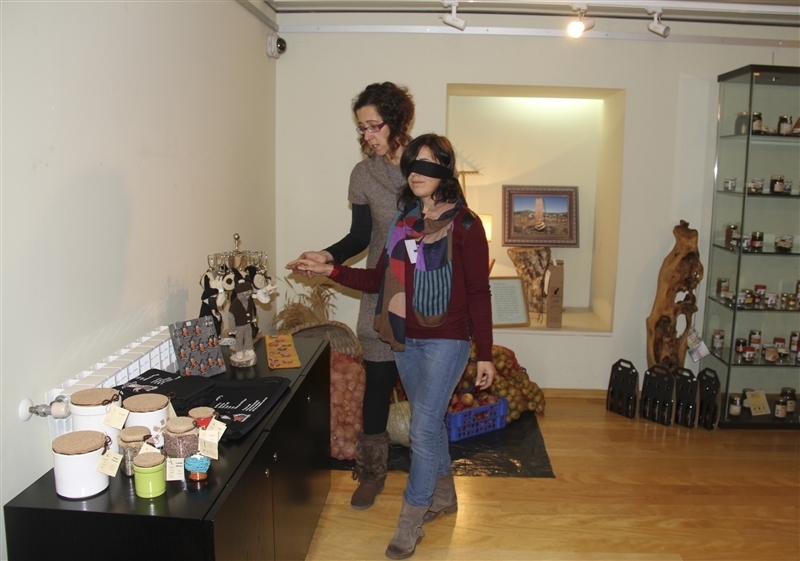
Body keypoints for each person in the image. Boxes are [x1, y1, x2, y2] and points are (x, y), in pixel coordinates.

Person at [291, 134, 496, 560]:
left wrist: (486, 354)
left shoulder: (467, 225)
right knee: (430, 424)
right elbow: (377, 280)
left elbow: (479, 291)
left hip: (448, 340)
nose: (416, 173)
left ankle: (410, 520)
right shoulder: (405, 222)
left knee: (422, 429)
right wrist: (330, 270)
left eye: (427, 164)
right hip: (405, 339)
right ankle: (444, 496)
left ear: (445, 170)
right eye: (412, 165)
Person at [286, 82, 415, 510]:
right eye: (362, 128)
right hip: (379, 289)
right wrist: (326, 256)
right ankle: (372, 471)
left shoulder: (427, 163)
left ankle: (431, 473)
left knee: (425, 389)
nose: (367, 135)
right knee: (377, 383)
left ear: (398, 121)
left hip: (424, 294)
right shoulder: (363, 174)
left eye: (374, 125)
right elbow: (360, 236)